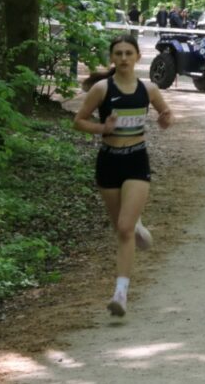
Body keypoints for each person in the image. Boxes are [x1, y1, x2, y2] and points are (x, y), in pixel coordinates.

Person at [73, 35, 173, 316]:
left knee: (124, 228)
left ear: (138, 57)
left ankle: (120, 294)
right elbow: (78, 121)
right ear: (112, 58)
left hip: (136, 161)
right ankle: (137, 225)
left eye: (129, 53)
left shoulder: (149, 89)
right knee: (122, 228)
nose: (124, 58)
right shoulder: (102, 89)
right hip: (108, 162)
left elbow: (167, 116)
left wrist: (166, 119)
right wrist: (102, 129)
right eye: (118, 53)